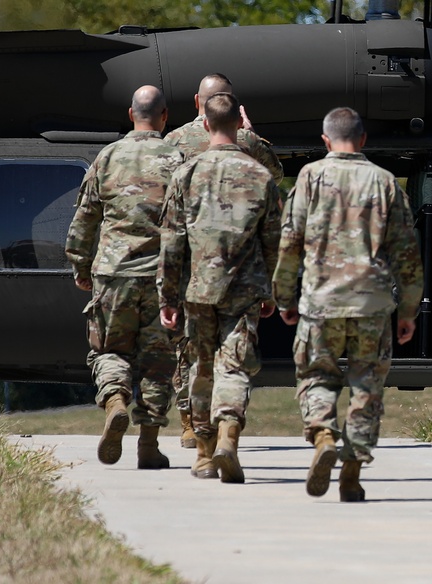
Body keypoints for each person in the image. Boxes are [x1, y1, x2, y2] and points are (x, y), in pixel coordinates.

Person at [273, 106, 423, 502]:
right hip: (372, 306)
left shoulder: (309, 178)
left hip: (321, 302)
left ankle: (323, 435)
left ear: (325, 140)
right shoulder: (386, 182)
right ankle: (352, 473)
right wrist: (408, 311)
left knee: (317, 376)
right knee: (366, 387)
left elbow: (289, 242)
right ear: (363, 140)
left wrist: (284, 296)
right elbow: (408, 255)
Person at [157, 92, 282, 483]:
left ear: (206, 124)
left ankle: (204, 454)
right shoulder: (261, 176)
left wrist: (168, 295)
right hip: (244, 290)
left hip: (197, 290)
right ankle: (230, 434)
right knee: (235, 366)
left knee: (201, 367)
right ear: (240, 127)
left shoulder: (185, 174)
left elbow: (172, 240)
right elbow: (274, 241)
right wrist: (273, 291)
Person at [65, 85, 184, 468]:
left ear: (130, 114)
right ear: (165, 116)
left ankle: (115, 400)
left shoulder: (108, 157)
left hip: (113, 273)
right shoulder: (177, 158)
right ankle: (148, 445)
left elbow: (85, 219)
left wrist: (81, 267)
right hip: (162, 276)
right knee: (158, 361)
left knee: (109, 351)